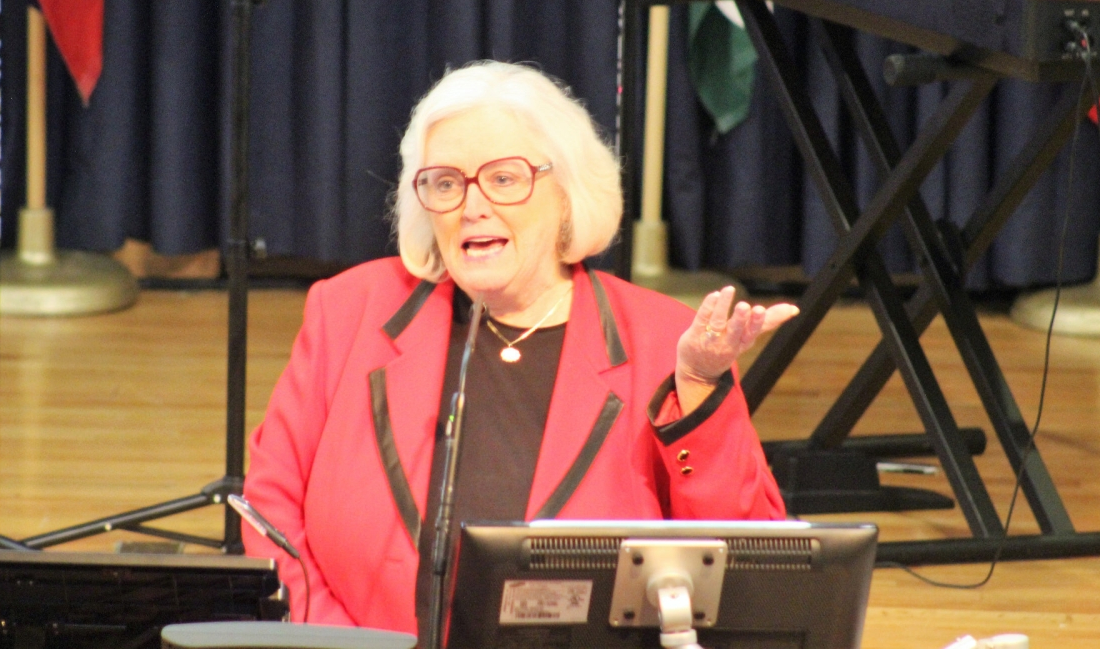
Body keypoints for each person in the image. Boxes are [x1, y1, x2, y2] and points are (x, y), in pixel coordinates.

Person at [242, 61, 798, 639]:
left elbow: (745, 561)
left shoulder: (663, 340)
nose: (473, 206)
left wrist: (701, 392)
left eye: (504, 179)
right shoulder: (351, 311)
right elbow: (270, 511)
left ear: (566, 194)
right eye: (447, 183)